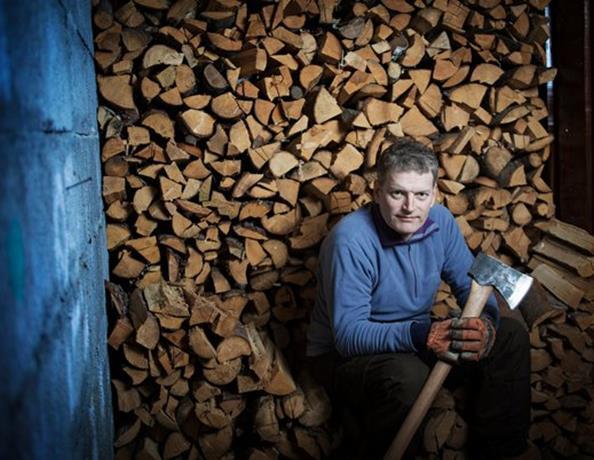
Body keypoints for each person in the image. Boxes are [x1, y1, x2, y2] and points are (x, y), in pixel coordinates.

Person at [306, 138, 536, 459]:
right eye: (397, 193)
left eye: (421, 195)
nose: (409, 207)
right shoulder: (351, 241)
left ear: (435, 194)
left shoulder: (441, 223)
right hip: (344, 358)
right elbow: (348, 337)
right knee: (407, 376)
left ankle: (500, 454)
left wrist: (485, 326)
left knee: (509, 337)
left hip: (414, 339)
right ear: (376, 191)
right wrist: (423, 334)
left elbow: (473, 287)